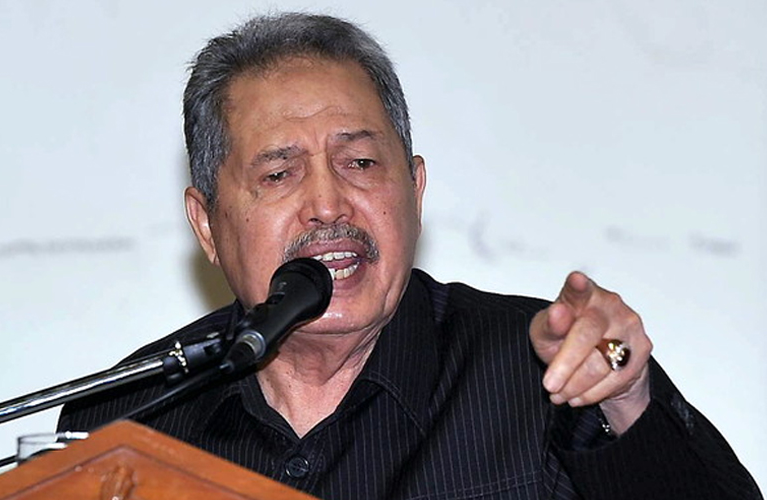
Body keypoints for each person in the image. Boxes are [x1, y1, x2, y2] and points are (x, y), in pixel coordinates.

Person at [58, 12, 762, 500]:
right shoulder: (127, 419)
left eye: (361, 163)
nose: (328, 205)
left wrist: (628, 399)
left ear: (415, 190)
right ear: (207, 226)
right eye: (278, 173)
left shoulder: (543, 375)